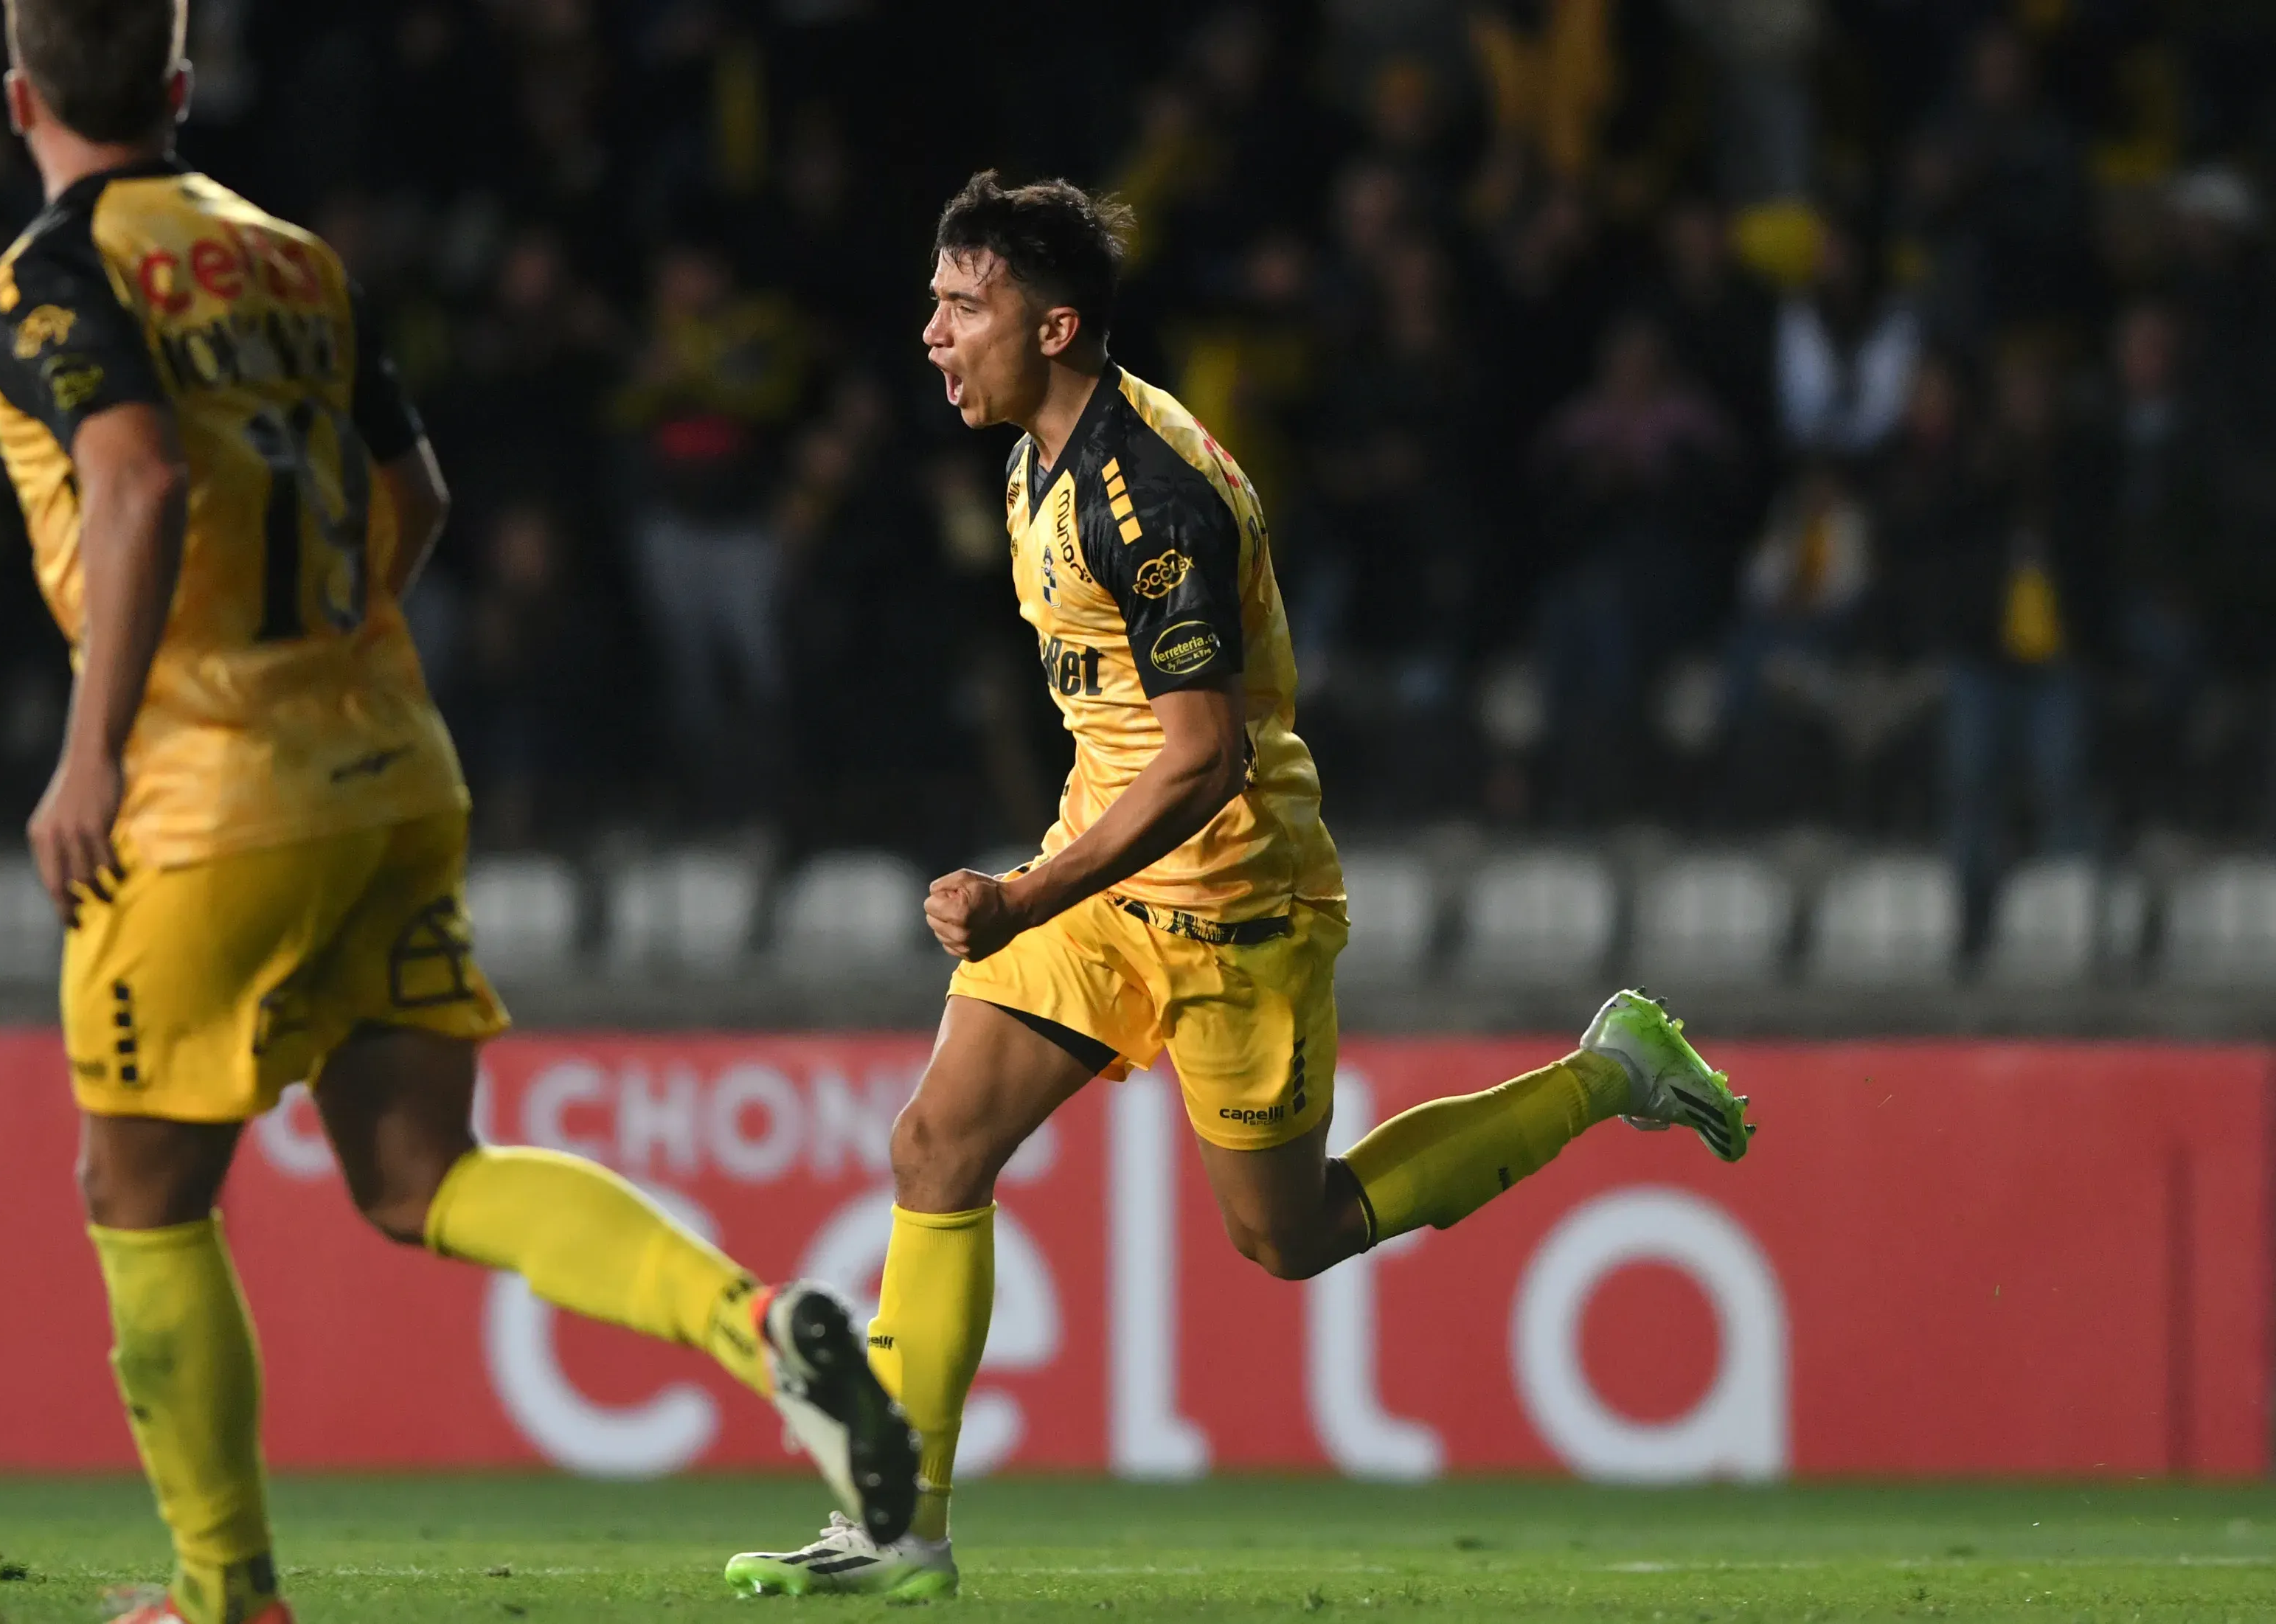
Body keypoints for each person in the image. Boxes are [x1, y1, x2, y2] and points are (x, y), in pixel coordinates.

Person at [0, 7, 915, 1623]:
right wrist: (336, 658)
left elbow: (136, 480)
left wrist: (91, 750)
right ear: (182, 87)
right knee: (421, 1174)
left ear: (18, 99)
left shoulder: (48, 277)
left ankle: (227, 1596)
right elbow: (414, 497)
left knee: (140, 1200)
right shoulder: (296, 263)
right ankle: (753, 1325)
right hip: (391, 767)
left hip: (202, 797)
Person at [724, 171, 1756, 1600]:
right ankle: (899, 1531)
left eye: (963, 306)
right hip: (1104, 872)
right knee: (935, 1149)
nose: (932, 333)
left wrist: (1022, 894)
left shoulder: (1151, 496)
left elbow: (1205, 758)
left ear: (1057, 327)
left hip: (1231, 898)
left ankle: (1609, 1073)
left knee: (1289, 1234)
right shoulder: (1034, 456)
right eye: (935, 302)